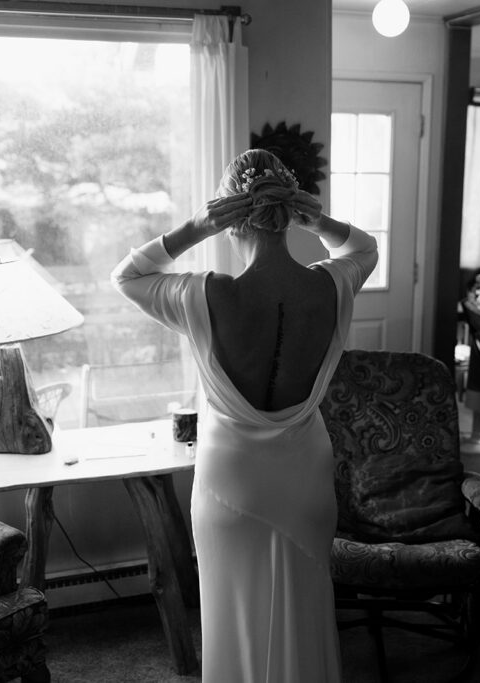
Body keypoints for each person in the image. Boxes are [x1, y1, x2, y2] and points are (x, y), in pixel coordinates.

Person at [111, 148, 377, 682]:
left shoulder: (202, 295)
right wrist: (317, 217)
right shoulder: (333, 285)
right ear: (289, 214)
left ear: (233, 219)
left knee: (233, 612)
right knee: (306, 602)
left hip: (230, 482)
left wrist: (196, 226)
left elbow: (129, 275)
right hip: (305, 478)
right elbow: (365, 247)